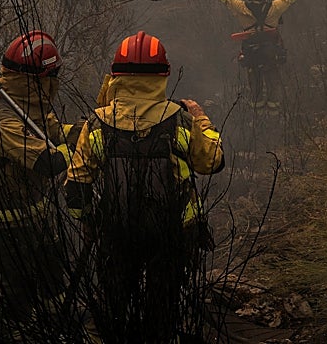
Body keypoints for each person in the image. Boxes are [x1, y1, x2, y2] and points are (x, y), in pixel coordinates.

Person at [65, 31, 225, 344]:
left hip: (116, 234)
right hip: (172, 233)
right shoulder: (180, 120)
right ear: (164, 75)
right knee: (162, 311)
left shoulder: (98, 124)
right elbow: (211, 162)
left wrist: (90, 222)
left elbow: (76, 187)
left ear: (115, 76)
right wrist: (202, 120)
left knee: (111, 310)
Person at [0, 31, 75, 329]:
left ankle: (56, 328)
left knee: (54, 290)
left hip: (38, 221)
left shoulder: (31, 106)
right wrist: (81, 151)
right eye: (53, 76)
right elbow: (47, 161)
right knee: (15, 301)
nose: (55, 82)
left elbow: (56, 133)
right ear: (39, 78)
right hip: (6, 231)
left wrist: (89, 130)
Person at [197, 0, 320, 109]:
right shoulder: (276, 7)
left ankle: (258, 115)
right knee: (274, 91)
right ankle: (275, 115)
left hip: (251, 58)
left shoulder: (239, 8)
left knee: (255, 93)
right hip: (271, 58)